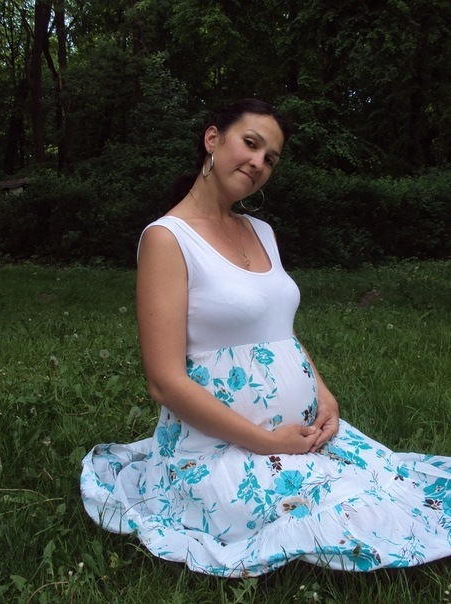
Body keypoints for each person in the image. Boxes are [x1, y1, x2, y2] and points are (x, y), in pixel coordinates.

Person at [81, 99, 451, 577]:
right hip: (218, 449)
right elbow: (164, 381)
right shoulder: (167, 239)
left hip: (297, 437)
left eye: (270, 158)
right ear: (212, 139)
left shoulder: (261, 231)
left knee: (400, 488)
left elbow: (280, 330)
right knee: (350, 512)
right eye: (251, 144)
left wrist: (323, 394)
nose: (259, 163)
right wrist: (265, 442)